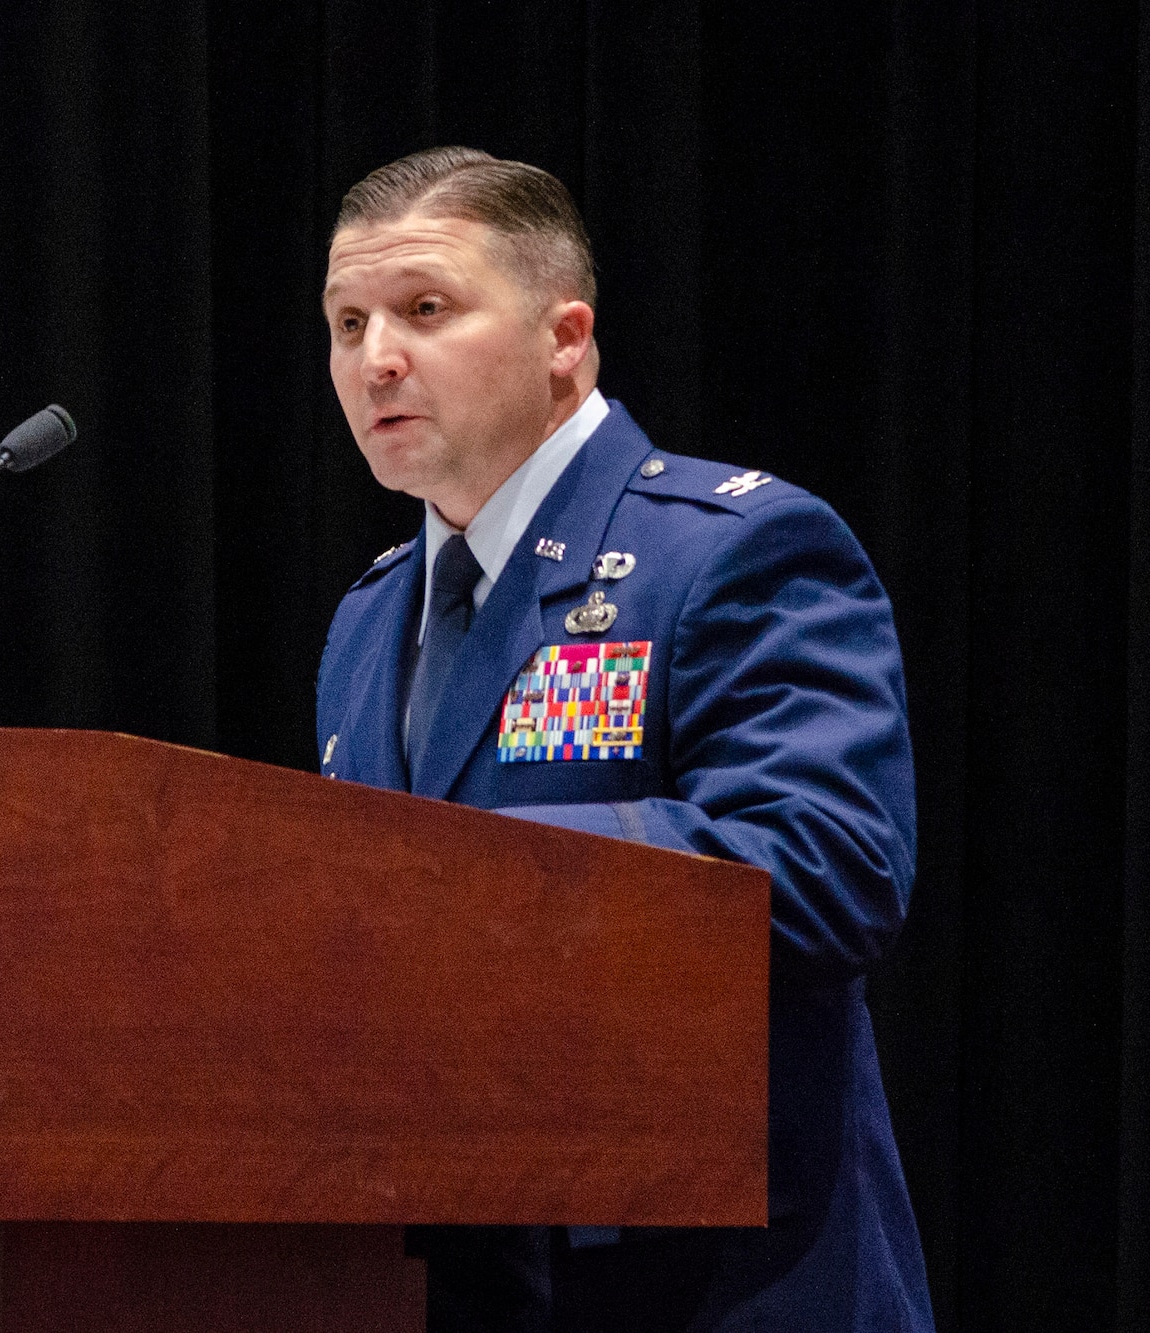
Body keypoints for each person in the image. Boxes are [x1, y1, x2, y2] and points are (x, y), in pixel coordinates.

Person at [313, 146, 936, 1332]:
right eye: (345, 322)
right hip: (452, 1282)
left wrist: (473, 884)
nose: (373, 357)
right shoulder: (362, 619)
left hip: (716, 1285)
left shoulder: (729, 551)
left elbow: (832, 866)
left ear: (565, 338)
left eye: (424, 309)